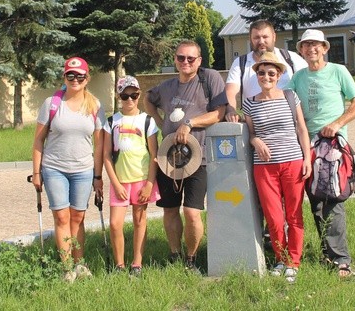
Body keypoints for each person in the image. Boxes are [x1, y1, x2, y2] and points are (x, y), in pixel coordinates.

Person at [144, 40, 227, 274]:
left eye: (191, 58)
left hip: (198, 158)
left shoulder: (208, 78)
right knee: (170, 209)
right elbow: (147, 98)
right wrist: (160, 122)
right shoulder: (167, 86)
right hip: (168, 158)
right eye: (181, 58)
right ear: (175, 60)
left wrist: (189, 124)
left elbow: (218, 113)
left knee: (191, 212)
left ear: (199, 60)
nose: (185, 62)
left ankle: (191, 258)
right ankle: (174, 254)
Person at [287, 29, 355, 278]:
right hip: (305, 147)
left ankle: (341, 260)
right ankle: (327, 254)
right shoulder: (298, 77)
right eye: (306, 45)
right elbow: (283, 101)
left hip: (331, 147)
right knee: (315, 199)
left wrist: (338, 123)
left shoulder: (338, 71)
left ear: (325, 48)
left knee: (332, 199)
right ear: (300, 50)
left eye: (316, 45)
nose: (312, 49)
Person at [32, 56, 105, 283]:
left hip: (83, 169)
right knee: (62, 217)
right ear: (64, 77)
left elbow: (100, 144)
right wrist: (36, 173)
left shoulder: (94, 105)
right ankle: (67, 268)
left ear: (87, 78)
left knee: (78, 217)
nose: (75, 79)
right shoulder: (52, 104)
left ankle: (80, 262)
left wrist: (98, 175)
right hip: (54, 168)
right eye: (70, 75)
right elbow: (38, 140)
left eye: (80, 76)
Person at [242, 51, 311, 284]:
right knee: (273, 216)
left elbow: (302, 129)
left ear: (279, 74)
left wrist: (307, 159)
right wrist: (255, 140)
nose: (266, 76)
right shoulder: (249, 103)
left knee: (293, 214)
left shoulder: (291, 97)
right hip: (265, 167)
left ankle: (294, 261)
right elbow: (250, 133)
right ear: (257, 75)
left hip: (292, 162)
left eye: (271, 73)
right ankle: (280, 259)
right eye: (261, 73)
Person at [103, 76, 161, 277]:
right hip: (120, 181)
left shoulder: (147, 121)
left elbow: (155, 155)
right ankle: (119, 265)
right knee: (115, 224)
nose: (129, 100)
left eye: (134, 95)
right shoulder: (112, 121)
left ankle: (137, 263)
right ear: (119, 96)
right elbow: (106, 156)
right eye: (125, 96)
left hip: (141, 179)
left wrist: (149, 184)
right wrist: (115, 183)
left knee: (139, 220)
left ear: (139, 95)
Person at [225, 19, 307, 122]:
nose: (261, 41)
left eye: (265, 37)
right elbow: (231, 91)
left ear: (274, 37)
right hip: (256, 126)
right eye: (256, 38)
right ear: (250, 39)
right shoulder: (240, 63)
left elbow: (309, 86)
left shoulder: (291, 59)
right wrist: (231, 110)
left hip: (289, 127)